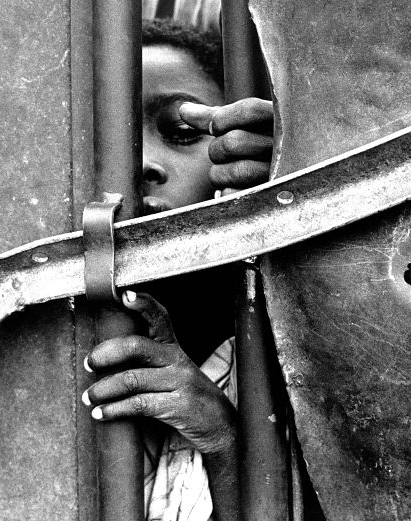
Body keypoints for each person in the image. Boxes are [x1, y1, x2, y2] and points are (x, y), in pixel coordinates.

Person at [81, 18, 273, 521]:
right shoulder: (45, 374)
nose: (141, 163)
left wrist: (224, 442)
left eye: (183, 132)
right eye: (103, 146)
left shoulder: (285, 368)